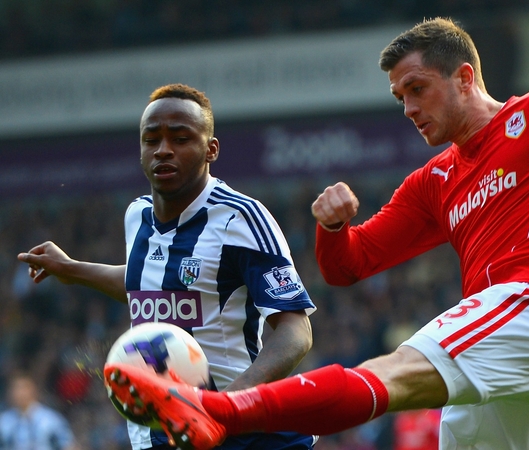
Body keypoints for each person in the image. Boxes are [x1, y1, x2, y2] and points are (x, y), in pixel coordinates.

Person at [101, 18, 529, 450]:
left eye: (417, 89)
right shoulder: (436, 181)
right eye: (399, 97)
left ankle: (221, 410)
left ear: (465, 77)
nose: (407, 108)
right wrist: (331, 229)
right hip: (509, 344)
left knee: (389, 374)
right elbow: (350, 268)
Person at [18, 84, 317, 450]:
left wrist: (226, 404)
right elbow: (145, 284)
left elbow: (296, 330)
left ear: (211, 149)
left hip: (240, 429)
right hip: (159, 430)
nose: (163, 150)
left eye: (180, 138)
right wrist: (72, 268)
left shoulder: (239, 218)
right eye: (151, 139)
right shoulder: (137, 215)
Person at [0, 373, 78, 450]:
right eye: (16, 389)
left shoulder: (51, 420)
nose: (19, 393)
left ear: (34, 390)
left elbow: (68, 445)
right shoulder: (4, 421)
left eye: (23, 388)